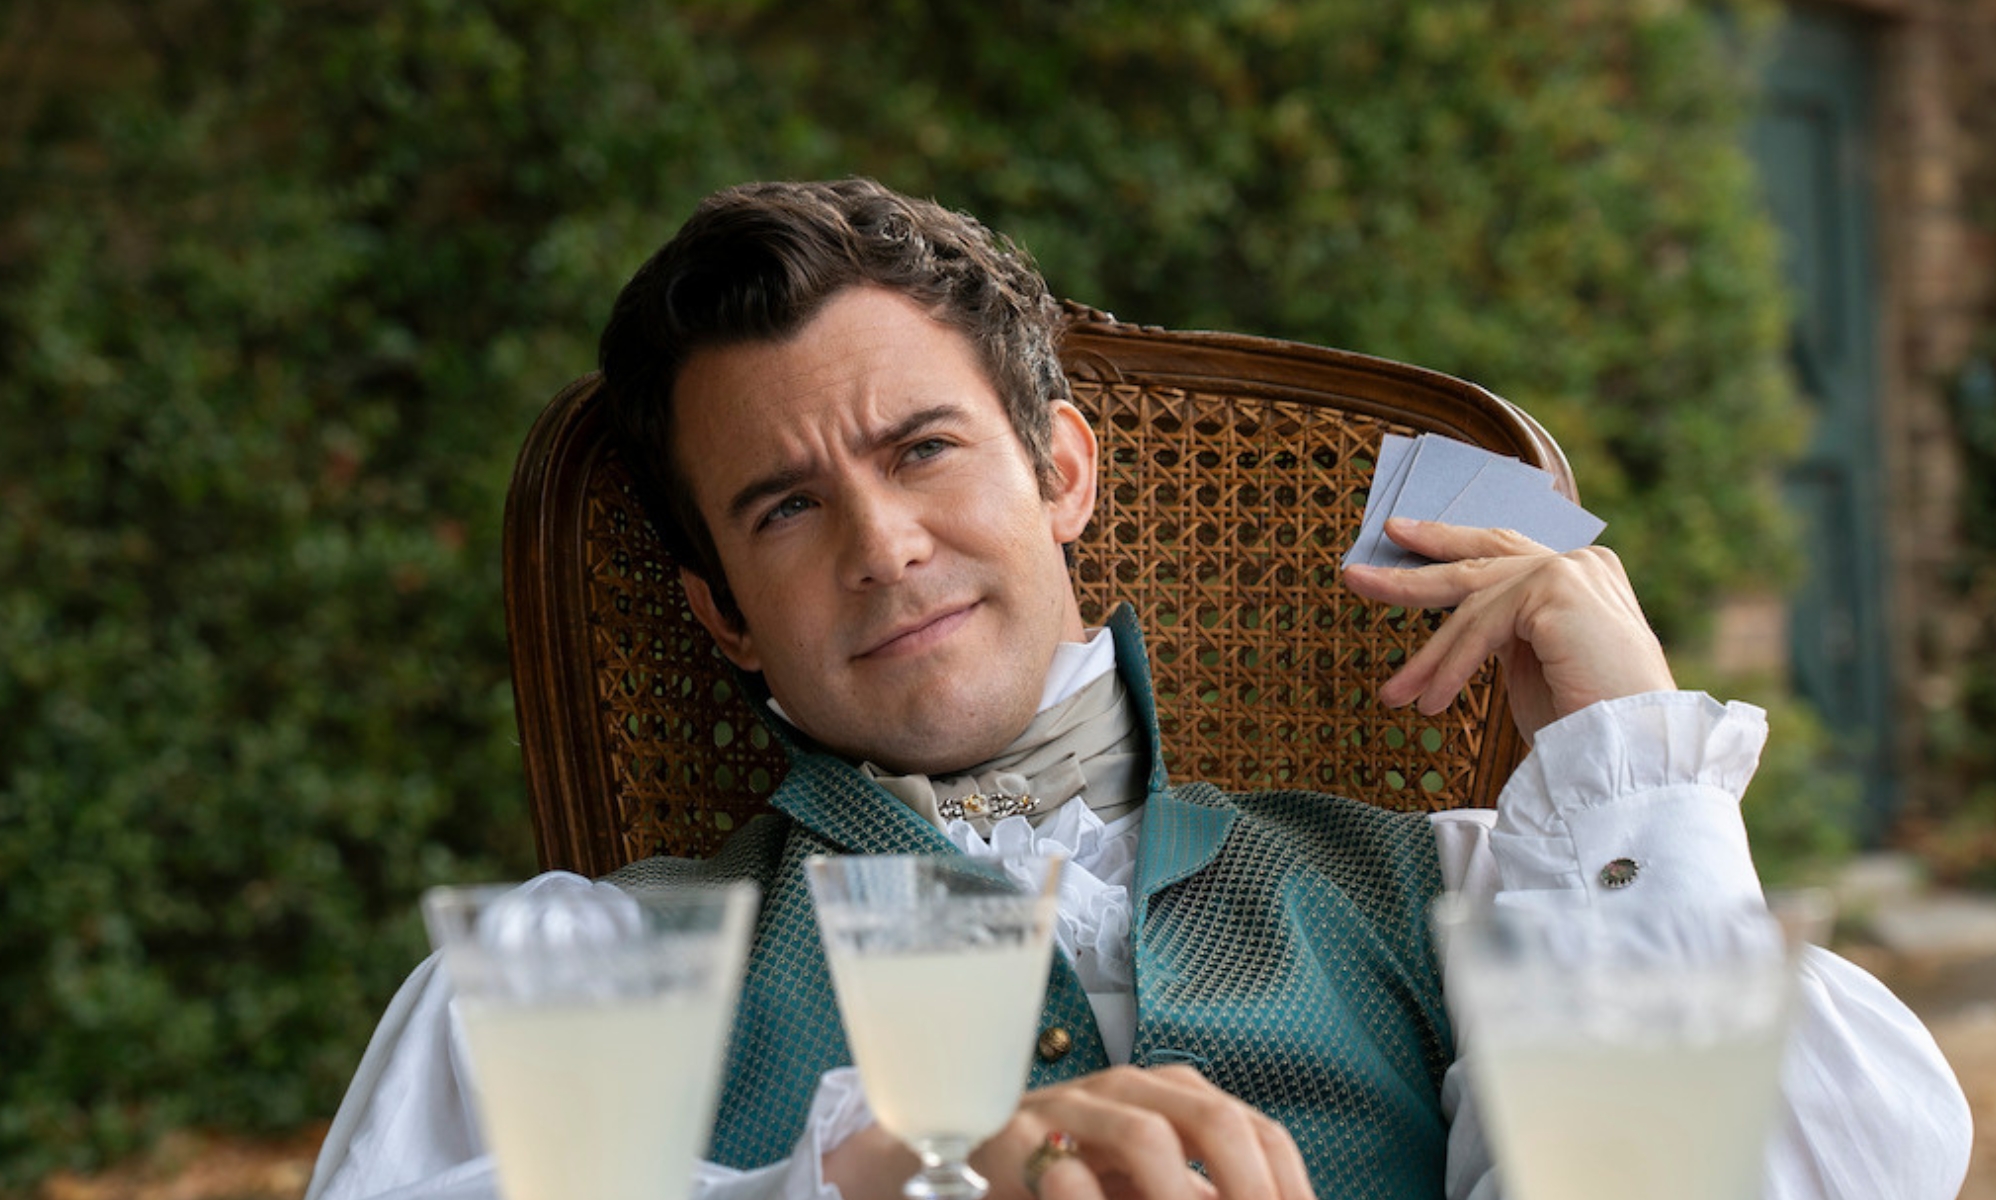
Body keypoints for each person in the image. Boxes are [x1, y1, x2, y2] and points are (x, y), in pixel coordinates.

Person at [307, 178, 1971, 1200]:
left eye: (924, 450)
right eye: (786, 506)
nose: (883, 547)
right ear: (723, 617)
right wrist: (851, 1181)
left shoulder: (1459, 890)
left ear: (1065, 473)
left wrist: (1630, 775)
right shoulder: (584, 971)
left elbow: (1832, 1173)